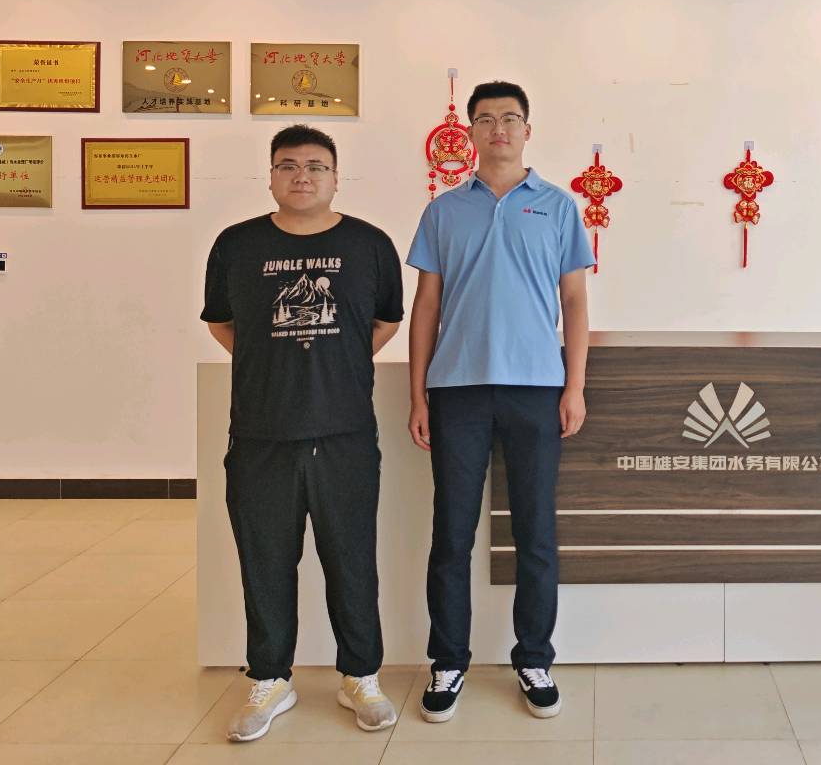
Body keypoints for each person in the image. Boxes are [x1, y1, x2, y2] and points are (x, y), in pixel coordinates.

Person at [202, 124, 404, 742]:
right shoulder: (236, 245)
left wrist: (334, 370)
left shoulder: (370, 244)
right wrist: (273, 369)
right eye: (287, 165)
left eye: (316, 166)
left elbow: (384, 322)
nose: (302, 176)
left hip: (345, 432)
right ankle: (270, 677)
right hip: (261, 433)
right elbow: (222, 324)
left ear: (336, 177)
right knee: (264, 560)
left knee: (352, 558)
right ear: (270, 176)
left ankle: (360, 677)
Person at [405, 80, 594, 722]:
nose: (499, 129)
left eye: (510, 119)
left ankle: (534, 657)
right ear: (471, 133)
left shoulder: (559, 207)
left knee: (536, 532)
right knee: (452, 534)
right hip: (456, 388)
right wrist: (418, 394)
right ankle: (448, 661)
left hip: (536, 387)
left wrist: (574, 385)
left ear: (527, 130)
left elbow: (575, 301)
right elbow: (426, 306)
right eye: (486, 120)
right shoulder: (443, 211)